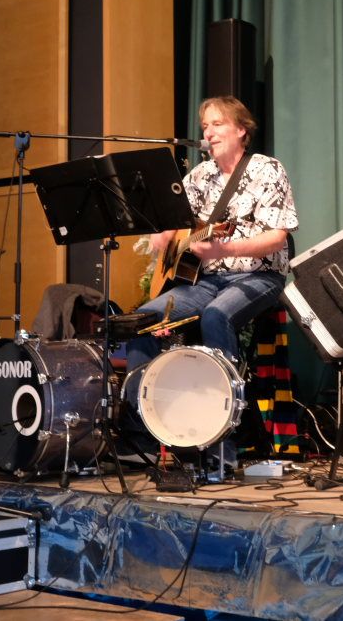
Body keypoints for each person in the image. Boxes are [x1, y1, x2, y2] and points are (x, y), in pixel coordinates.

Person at [123, 96, 298, 465]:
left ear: (242, 130)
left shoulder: (267, 170)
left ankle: (224, 444)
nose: (209, 132)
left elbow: (277, 237)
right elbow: (173, 219)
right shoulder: (199, 176)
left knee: (217, 316)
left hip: (259, 275)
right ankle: (146, 437)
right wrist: (164, 236)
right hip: (205, 281)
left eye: (218, 124)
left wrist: (226, 249)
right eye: (205, 126)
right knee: (143, 320)